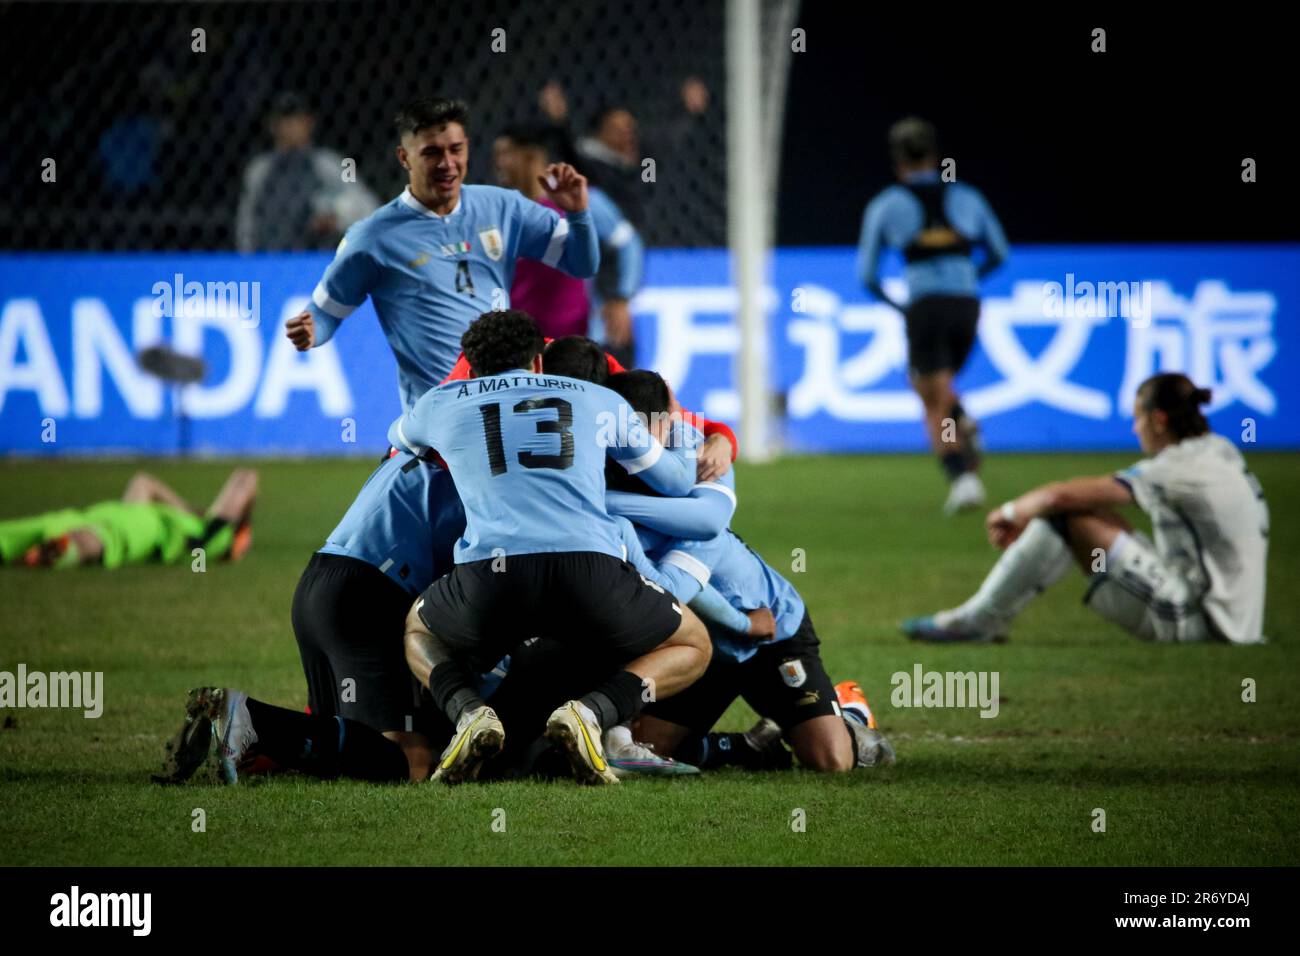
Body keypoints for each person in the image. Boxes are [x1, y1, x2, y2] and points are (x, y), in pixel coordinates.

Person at [391, 310, 712, 786]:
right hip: (590, 572)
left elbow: (401, 442)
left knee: (419, 629)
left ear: (472, 367)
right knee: (694, 643)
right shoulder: (599, 399)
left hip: (491, 578)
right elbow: (673, 479)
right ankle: (592, 712)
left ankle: (469, 713)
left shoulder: (440, 403)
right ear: (539, 361)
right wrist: (687, 431)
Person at [903, 373, 1268, 645]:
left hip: (1199, 622)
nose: (1134, 427)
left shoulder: (1180, 467)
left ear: (1159, 420)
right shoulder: (1219, 453)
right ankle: (981, 619)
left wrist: (1015, 511)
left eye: (1139, 417)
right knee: (1081, 515)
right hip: (1237, 621)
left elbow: (1067, 497)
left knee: (1066, 512)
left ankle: (980, 620)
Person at [283, 97, 600, 410]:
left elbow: (582, 263)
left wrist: (578, 215)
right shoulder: (373, 238)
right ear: (405, 157)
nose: (447, 163)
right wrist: (312, 332)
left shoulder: (504, 208)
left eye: (455, 149)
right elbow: (325, 312)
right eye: (432, 152)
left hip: (504, 406)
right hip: (437, 419)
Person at [858, 117, 1009, 515]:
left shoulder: (886, 205)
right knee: (940, 387)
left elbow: (867, 276)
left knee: (930, 399)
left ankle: (962, 478)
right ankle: (964, 419)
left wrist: (899, 306)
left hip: (925, 306)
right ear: (935, 155)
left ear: (897, 161)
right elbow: (1000, 252)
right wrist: (969, 279)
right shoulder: (969, 197)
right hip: (967, 305)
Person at [494, 124, 644, 364]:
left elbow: (628, 243)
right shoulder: (503, 211)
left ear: (530, 156)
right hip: (523, 348)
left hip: (578, 341)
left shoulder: (580, 200)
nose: (498, 163)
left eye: (505, 153)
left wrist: (622, 298)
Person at [1, 469, 255, 569]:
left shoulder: (210, 537)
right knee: (68, 526)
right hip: (104, 515)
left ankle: (58, 552)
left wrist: (243, 522)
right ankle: (55, 548)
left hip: (142, 527)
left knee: (98, 539)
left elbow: (247, 478)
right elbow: (144, 482)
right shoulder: (192, 522)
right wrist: (188, 509)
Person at [235, 92, 380, 252]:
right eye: (284, 120)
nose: (291, 127)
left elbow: (366, 205)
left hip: (317, 256)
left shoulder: (335, 162)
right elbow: (246, 223)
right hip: (269, 256)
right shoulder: (259, 168)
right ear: (272, 126)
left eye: (297, 119)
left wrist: (336, 218)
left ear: (309, 123)